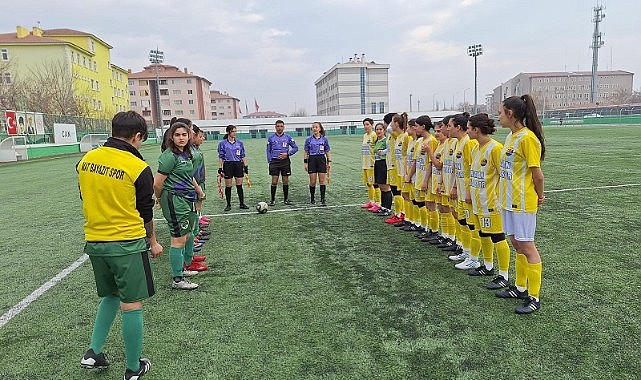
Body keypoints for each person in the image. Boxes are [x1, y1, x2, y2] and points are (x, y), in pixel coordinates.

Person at [77, 110, 161, 379]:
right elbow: (146, 211)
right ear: (137, 136)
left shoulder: (86, 160)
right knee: (131, 303)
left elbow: (84, 195)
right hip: (126, 243)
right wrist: (153, 240)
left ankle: (94, 351)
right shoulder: (137, 167)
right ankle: (134, 368)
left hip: (95, 242)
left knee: (111, 295)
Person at [495, 95, 546, 314]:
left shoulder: (527, 138)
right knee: (516, 243)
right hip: (509, 200)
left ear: (511, 113)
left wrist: (540, 196)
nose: (498, 116)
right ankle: (520, 287)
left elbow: (538, 175)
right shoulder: (511, 137)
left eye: (500, 112)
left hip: (523, 201)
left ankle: (534, 297)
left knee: (527, 246)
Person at [154, 121, 205, 290]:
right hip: (175, 200)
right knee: (178, 240)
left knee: (187, 235)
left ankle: (183, 268)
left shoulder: (187, 154)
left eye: (184, 134)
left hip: (187, 198)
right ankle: (177, 279)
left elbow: (189, 176)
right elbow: (157, 184)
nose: (181, 138)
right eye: (177, 135)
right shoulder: (169, 156)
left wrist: (198, 191)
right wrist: (160, 199)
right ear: (171, 137)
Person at [465, 113, 512, 291]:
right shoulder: (476, 148)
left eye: (469, 128)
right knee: (484, 234)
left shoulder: (495, 149)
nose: (467, 131)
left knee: (498, 237)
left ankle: (504, 275)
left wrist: (501, 199)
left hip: (492, 202)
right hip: (479, 201)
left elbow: (505, 176)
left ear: (476, 129)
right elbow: (473, 173)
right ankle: (488, 266)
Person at [266, 119, 298, 206]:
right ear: (275, 127)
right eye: (278, 126)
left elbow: (295, 148)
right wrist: (270, 160)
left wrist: (287, 154)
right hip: (274, 162)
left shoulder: (288, 137)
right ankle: (272, 200)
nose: (279, 128)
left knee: (285, 181)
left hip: (285, 162)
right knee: (274, 181)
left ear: (283, 127)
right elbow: (268, 150)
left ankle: (286, 199)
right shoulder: (271, 138)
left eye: (281, 126)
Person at [218, 125, 249, 211]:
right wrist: (220, 168)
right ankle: (228, 205)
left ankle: (242, 203)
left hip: (238, 165)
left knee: (239, 185)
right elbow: (221, 157)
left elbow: (242, 155)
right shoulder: (222, 143)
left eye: (235, 131)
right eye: (233, 131)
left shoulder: (240, 143)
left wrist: (245, 166)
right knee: (228, 186)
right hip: (228, 165)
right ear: (228, 132)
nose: (235, 133)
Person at [303, 121, 331, 206]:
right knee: (312, 181)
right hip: (312, 160)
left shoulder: (324, 139)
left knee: (322, 181)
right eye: (313, 127)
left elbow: (327, 151)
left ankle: (323, 199)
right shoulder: (308, 140)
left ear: (320, 128)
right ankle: (312, 198)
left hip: (321, 159)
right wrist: (305, 163)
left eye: (316, 127)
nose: (314, 128)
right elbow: (306, 152)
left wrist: (329, 162)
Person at [372, 122, 393, 214]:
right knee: (380, 186)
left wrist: (383, 152)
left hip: (383, 164)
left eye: (380, 129)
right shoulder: (377, 141)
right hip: (377, 163)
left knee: (385, 187)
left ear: (384, 130)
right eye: (377, 129)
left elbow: (389, 149)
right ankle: (383, 206)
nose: (378, 131)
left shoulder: (386, 140)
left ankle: (387, 208)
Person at [360, 117, 379, 209]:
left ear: (372, 125)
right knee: (368, 183)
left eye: (367, 124)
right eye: (364, 125)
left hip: (372, 163)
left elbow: (377, 147)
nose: (365, 126)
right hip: (365, 163)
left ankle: (378, 203)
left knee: (375, 183)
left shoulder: (374, 135)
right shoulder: (365, 135)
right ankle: (371, 201)